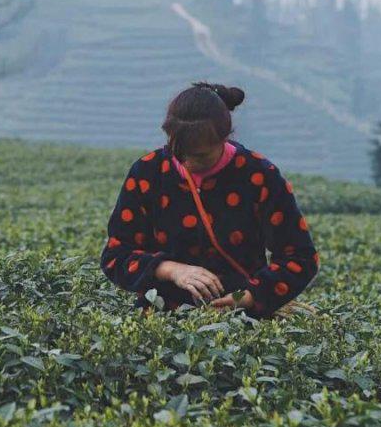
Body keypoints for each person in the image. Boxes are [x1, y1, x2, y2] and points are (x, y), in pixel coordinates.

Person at [100, 82, 319, 319]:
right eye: (179, 152)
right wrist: (171, 270)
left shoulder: (258, 175)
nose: (188, 163)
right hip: (161, 319)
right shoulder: (147, 173)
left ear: (224, 138)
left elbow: (300, 257)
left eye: (200, 156)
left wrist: (246, 297)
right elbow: (116, 256)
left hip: (241, 319)